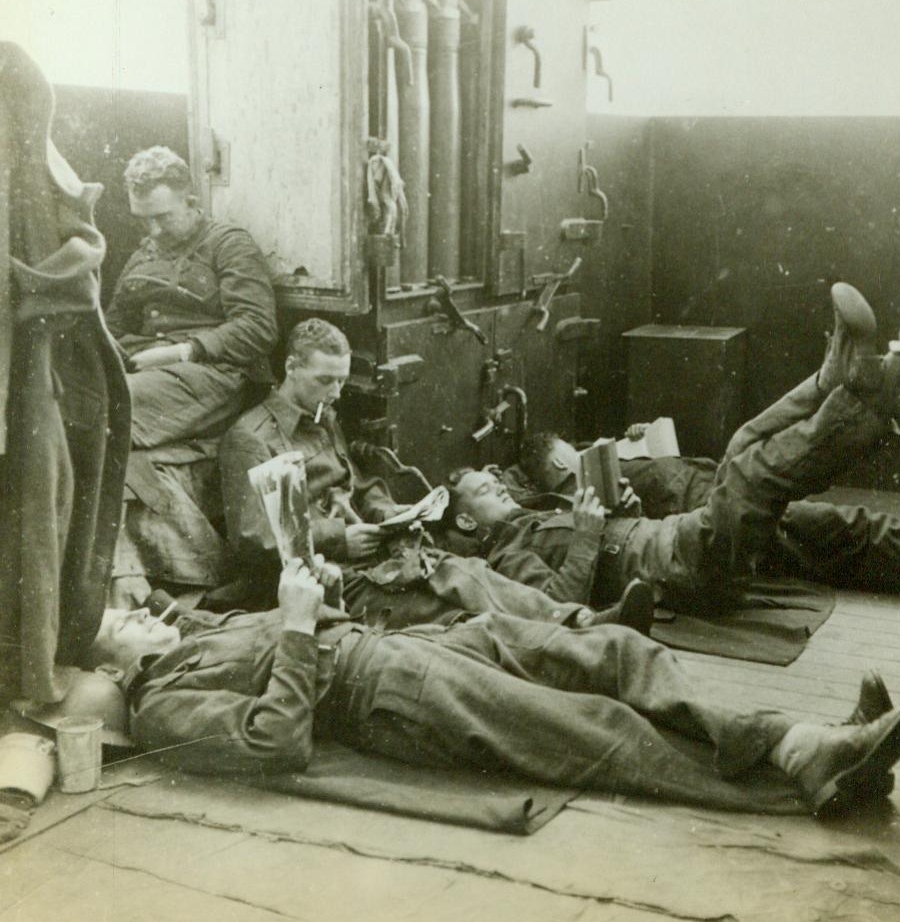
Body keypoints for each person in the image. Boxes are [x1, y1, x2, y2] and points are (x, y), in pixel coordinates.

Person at [87, 559, 900, 816]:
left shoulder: (193, 635)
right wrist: (301, 628)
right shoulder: (161, 707)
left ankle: (786, 735)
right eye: (127, 625)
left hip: (413, 646)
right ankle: (809, 757)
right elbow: (276, 741)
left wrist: (317, 603)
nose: (148, 616)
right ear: (111, 669)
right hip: (392, 694)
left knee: (610, 650)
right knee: (595, 729)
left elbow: (287, 642)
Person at [439, 284, 900, 614]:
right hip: (683, 571)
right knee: (750, 476)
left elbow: (615, 541)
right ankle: (866, 393)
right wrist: (590, 536)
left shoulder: (535, 515)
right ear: (466, 521)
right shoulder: (505, 555)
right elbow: (556, 605)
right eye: (486, 489)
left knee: (744, 445)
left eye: (494, 479)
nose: (500, 486)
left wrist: (619, 511)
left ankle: (837, 381)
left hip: (678, 539)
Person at [218, 317, 655, 633]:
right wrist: (339, 537)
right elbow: (255, 540)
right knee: (451, 614)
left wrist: (387, 509)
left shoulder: (324, 417)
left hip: (371, 553)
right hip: (323, 577)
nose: (335, 394)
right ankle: (580, 629)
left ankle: (578, 620)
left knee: (464, 572)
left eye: (341, 382)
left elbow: (356, 483)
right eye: (324, 381)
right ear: (291, 368)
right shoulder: (251, 439)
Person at [104, 146, 278, 448]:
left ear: (191, 201)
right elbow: (114, 325)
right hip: (147, 366)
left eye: (163, 217)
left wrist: (183, 352)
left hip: (213, 373)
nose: (153, 231)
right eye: (142, 220)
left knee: (110, 404)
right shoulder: (142, 255)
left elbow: (258, 326)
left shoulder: (228, 245)